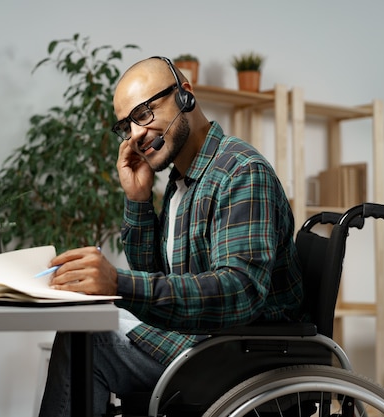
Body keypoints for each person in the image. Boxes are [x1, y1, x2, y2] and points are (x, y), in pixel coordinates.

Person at [38, 56, 304, 417]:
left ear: (185, 95)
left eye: (145, 113)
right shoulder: (184, 182)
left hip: (238, 357)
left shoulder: (241, 173)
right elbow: (156, 276)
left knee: (85, 340)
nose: (135, 134)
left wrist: (118, 282)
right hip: (202, 341)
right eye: (126, 125)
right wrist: (138, 199)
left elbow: (239, 290)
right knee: (86, 320)